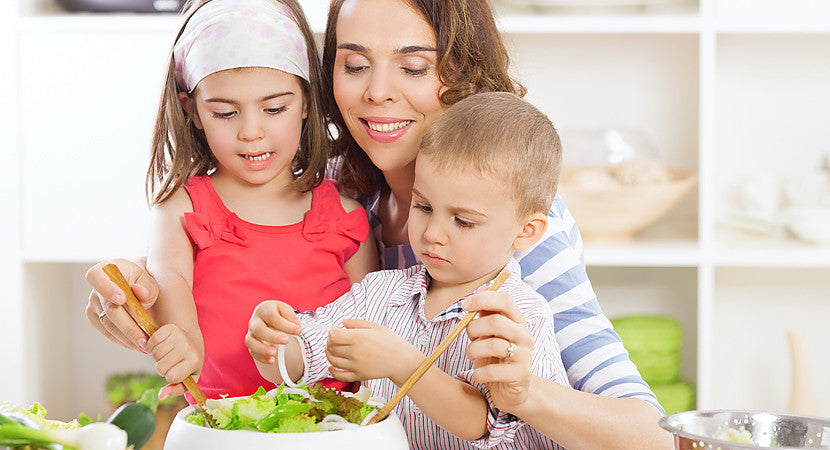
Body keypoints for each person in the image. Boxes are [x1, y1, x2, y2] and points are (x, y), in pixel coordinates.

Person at [85, 0, 671, 447]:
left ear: (461, 73)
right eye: (355, 64)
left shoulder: (510, 228)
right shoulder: (329, 188)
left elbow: (651, 433)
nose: (377, 93)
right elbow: (221, 240)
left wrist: (523, 395)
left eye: (413, 67)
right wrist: (137, 291)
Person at [247, 92, 569, 448]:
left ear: (526, 232)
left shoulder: (519, 316)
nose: (432, 234)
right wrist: (274, 341)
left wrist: (404, 365)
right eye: (424, 206)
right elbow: (301, 359)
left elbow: (483, 423)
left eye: (463, 221)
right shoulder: (379, 293)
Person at [125, 0, 378, 402]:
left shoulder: (345, 217)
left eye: (275, 108)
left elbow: (374, 320)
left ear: (308, 101)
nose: (252, 132)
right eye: (225, 113)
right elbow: (167, 277)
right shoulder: (183, 208)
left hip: (331, 425)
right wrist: (183, 341)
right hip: (221, 425)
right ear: (192, 110)